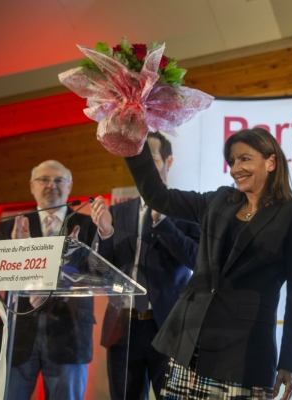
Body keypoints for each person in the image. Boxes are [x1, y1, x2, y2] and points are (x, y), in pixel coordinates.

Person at [123, 128, 292, 400]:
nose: (236, 168)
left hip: (243, 353)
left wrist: (290, 362)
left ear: (271, 162)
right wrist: (132, 140)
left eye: (245, 159)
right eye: (232, 161)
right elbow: (157, 196)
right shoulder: (219, 200)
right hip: (188, 345)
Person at [91, 132, 200, 400]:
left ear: (168, 161)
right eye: (137, 160)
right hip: (123, 328)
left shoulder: (188, 208)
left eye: (150, 158)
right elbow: (99, 272)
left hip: (168, 328)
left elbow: (198, 259)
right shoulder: (118, 212)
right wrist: (105, 234)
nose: (143, 167)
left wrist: (164, 222)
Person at [0, 160, 96, 400]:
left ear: (70, 186)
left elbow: (95, 274)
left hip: (69, 334)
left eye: (59, 180)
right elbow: (0, 275)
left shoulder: (89, 226)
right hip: (18, 335)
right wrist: (19, 252)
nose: (51, 185)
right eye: (44, 180)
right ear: (32, 186)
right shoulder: (11, 226)